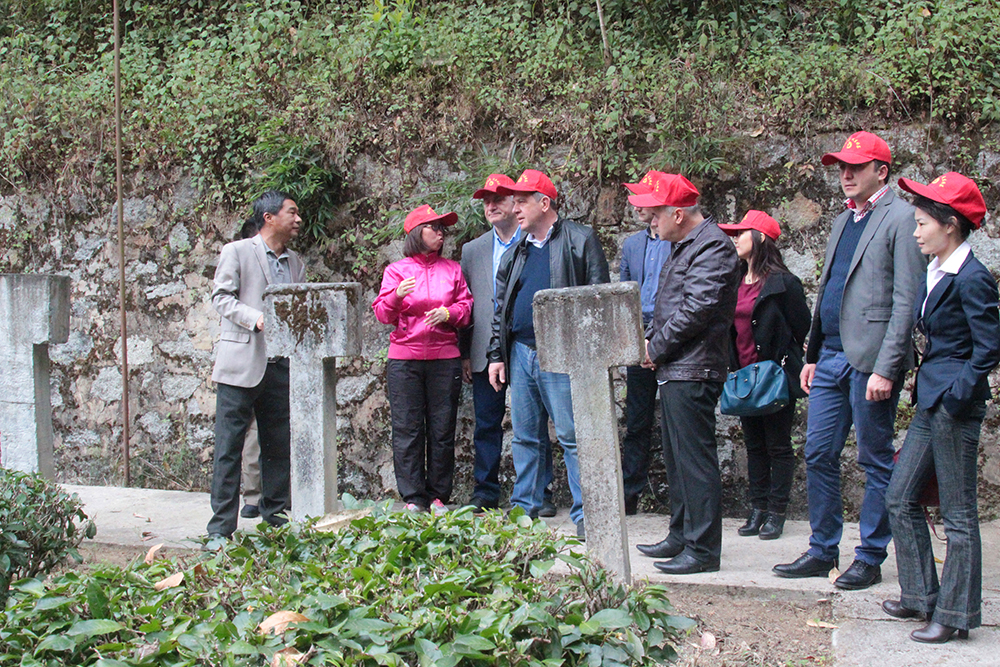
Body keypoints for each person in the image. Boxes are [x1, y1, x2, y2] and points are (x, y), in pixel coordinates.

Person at [773, 131, 926, 589]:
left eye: (856, 167)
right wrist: (812, 354)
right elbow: (828, 293)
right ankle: (823, 550)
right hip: (831, 357)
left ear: (882, 171)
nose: (845, 174)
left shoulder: (901, 218)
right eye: (841, 166)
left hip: (870, 360)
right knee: (818, 452)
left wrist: (887, 366)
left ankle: (871, 555)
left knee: (875, 457)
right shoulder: (843, 221)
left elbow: (906, 300)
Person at [883, 173, 1000, 643]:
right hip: (932, 400)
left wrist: (957, 393)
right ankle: (920, 596)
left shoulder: (972, 277)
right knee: (900, 495)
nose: (916, 231)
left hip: (953, 404)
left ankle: (953, 615)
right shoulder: (937, 269)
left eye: (922, 223)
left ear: (950, 225)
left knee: (957, 514)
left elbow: (988, 347)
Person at [487, 169, 610, 538]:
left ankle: (587, 513)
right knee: (525, 436)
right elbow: (501, 309)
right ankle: (524, 508)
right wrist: (497, 355)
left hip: (562, 354)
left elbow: (599, 297)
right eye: (514, 201)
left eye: (522, 201)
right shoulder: (516, 252)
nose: (515, 207)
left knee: (573, 435)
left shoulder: (580, 239)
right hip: (521, 353)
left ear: (545, 203)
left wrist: (590, 356)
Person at [634, 172, 740, 574]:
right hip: (679, 365)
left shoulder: (712, 246)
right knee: (678, 459)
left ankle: (702, 549)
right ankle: (681, 535)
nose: (649, 219)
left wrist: (655, 348)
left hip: (693, 367)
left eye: (655, 212)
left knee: (694, 460)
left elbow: (696, 310)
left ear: (678, 213)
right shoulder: (686, 244)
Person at [207, 191, 305, 540]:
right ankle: (220, 529)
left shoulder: (295, 262)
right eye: (291, 212)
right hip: (241, 364)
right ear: (269, 217)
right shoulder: (236, 251)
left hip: (280, 365)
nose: (298, 220)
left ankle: (275, 519)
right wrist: (255, 318)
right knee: (228, 449)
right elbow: (221, 297)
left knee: (278, 448)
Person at [460, 174, 556, 515]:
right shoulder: (472, 250)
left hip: (528, 346)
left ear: (515, 203)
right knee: (487, 423)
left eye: (499, 198)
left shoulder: (533, 240)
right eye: (486, 200)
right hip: (487, 351)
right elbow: (467, 303)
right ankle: (485, 491)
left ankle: (541, 491)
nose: (491, 205)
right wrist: (465, 353)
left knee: (536, 422)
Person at [373, 204, 473, 514]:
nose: (441, 234)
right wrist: (396, 295)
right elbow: (382, 313)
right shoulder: (397, 271)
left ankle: (439, 495)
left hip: (445, 358)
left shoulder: (452, 269)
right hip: (405, 359)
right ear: (417, 233)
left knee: (442, 428)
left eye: (443, 229)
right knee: (407, 428)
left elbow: (467, 308)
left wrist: (450, 312)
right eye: (434, 228)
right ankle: (413, 497)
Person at [718, 210, 811, 540]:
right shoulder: (735, 281)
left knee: (778, 445)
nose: (735, 239)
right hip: (744, 376)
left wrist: (783, 359)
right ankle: (757, 509)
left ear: (759, 238)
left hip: (775, 377)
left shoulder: (784, 284)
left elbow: (802, 325)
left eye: (741, 233)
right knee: (754, 444)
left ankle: (776, 512)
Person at [619, 171, 672, 515]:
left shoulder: (678, 239)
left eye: (642, 198)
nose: (635, 205)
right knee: (636, 420)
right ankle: (629, 493)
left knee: (674, 420)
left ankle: (679, 496)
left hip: (672, 335)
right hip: (639, 336)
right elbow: (624, 294)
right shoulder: (633, 244)